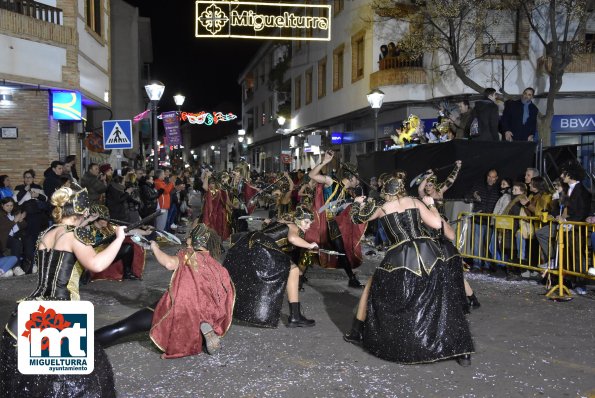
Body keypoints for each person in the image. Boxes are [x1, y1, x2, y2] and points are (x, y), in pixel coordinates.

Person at [0, 186, 126, 397]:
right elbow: (96, 264)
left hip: (31, 310)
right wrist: (120, 238)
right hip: (61, 317)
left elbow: (63, 244)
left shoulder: (47, 232)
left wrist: (86, 226)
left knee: (33, 381)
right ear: (82, 211)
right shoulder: (75, 236)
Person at [343, 174, 474, 366]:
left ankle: (360, 332)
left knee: (378, 291)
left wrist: (357, 202)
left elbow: (356, 218)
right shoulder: (415, 201)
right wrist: (430, 204)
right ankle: (463, 352)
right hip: (429, 253)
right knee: (445, 299)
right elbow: (438, 224)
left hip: (400, 257)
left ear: (386, 191)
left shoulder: (383, 208)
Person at [95, 223, 235, 358]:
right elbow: (226, 296)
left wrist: (155, 247)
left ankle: (84, 343)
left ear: (193, 240)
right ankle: (202, 328)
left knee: (124, 327)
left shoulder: (188, 256)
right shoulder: (216, 266)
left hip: (180, 308)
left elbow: (169, 263)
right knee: (192, 318)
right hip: (206, 312)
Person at [223, 206, 318, 328]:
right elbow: (293, 238)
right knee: (293, 271)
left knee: (293, 271)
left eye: (310, 223)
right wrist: (310, 246)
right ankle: (295, 316)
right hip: (261, 247)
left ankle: (295, 315)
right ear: (298, 220)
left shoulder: (285, 222)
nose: (308, 226)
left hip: (252, 244)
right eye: (306, 222)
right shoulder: (294, 226)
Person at [308, 150, 366, 288]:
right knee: (331, 250)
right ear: (351, 177)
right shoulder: (331, 182)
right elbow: (312, 175)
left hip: (336, 224)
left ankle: (351, 277)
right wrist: (325, 161)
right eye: (356, 178)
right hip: (326, 222)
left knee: (337, 251)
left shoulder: (348, 192)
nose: (357, 181)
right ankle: (351, 278)